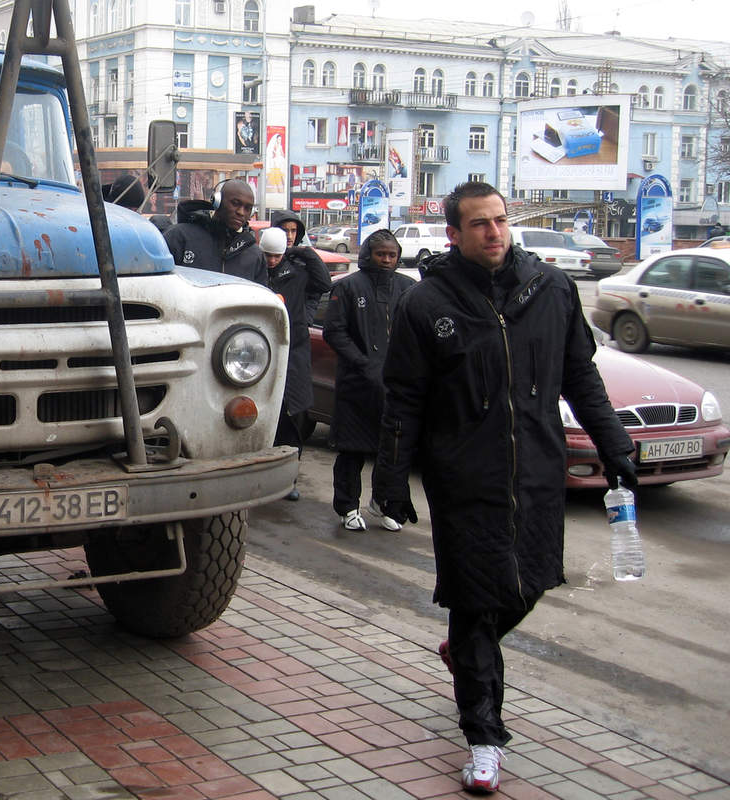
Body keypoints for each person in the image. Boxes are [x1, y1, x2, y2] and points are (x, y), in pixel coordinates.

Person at [372, 181, 637, 794]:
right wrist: (391, 478)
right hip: (464, 477)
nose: (494, 232)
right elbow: (404, 398)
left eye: (500, 220)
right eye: (479, 224)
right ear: (454, 234)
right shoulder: (427, 304)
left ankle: (468, 650)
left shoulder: (551, 289)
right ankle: (484, 739)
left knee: (531, 582)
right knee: (475, 602)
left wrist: (616, 447)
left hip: (539, 470)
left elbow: (581, 376)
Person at [322, 229, 415, 531]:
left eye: (392, 255)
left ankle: (384, 503)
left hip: (395, 386)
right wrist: (364, 363)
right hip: (357, 384)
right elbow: (334, 331)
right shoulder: (348, 287)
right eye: (380, 254)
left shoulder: (408, 288)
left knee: (391, 451)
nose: (386, 260)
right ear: (367, 255)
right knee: (352, 450)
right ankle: (347, 507)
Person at [259, 225, 332, 500]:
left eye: (276, 256)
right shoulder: (253, 272)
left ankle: (289, 478)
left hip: (294, 350)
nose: (271, 261)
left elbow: (324, 284)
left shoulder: (298, 273)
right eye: (267, 255)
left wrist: (306, 253)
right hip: (261, 351)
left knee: (293, 414)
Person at [163, 179, 267, 284]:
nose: (241, 212)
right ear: (217, 201)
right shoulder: (179, 237)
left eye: (247, 208)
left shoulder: (254, 255)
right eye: (235, 203)